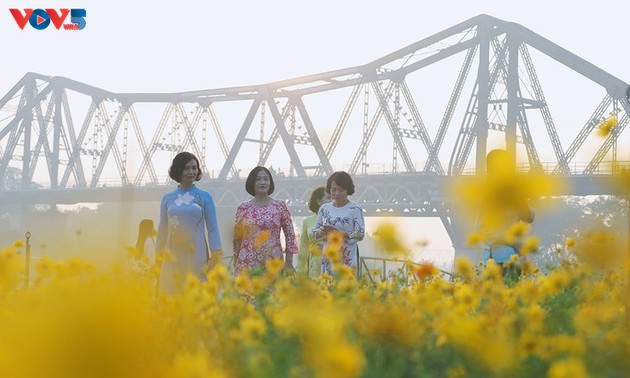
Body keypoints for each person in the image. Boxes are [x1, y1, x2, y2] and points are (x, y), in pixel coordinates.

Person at [156, 152, 222, 294]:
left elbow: (213, 229)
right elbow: (162, 230)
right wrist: (158, 257)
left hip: (197, 254)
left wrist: (214, 256)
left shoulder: (205, 196)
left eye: (194, 168)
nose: (191, 172)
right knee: (172, 294)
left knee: (197, 294)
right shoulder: (167, 198)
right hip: (172, 254)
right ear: (178, 170)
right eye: (186, 168)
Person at [477, 149, 534, 278]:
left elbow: (529, 216)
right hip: (499, 257)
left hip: (503, 257)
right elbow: (485, 230)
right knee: (508, 294)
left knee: (500, 295)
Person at [233, 166, 298, 275]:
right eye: (258, 179)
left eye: (266, 179)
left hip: (272, 261)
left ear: (270, 182)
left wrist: (289, 262)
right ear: (252, 182)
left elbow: (290, 235)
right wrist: (236, 262)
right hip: (247, 263)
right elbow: (237, 238)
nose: (262, 182)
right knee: (247, 292)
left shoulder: (280, 206)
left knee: (272, 292)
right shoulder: (243, 208)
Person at [313, 171, 365, 275]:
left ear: (348, 190)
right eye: (333, 190)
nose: (337, 193)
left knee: (344, 289)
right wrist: (321, 231)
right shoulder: (324, 208)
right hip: (328, 258)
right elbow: (314, 233)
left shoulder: (355, 209)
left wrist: (338, 234)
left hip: (347, 258)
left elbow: (360, 234)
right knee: (327, 288)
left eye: (341, 190)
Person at [297, 187, 331, 278]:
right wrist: (300, 273)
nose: (332, 201)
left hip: (332, 265)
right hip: (315, 266)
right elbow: (303, 248)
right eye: (328, 198)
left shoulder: (338, 220)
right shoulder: (308, 221)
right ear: (319, 201)